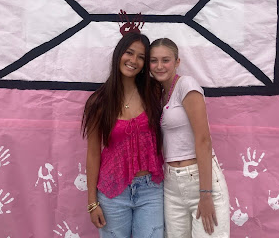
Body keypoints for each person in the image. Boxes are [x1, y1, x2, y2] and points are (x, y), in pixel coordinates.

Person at [82, 32, 164, 238]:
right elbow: (93, 154)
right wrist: (92, 202)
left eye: (141, 57)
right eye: (129, 53)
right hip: (113, 192)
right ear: (119, 54)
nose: (133, 61)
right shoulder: (99, 102)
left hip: (150, 190)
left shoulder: (154, 92)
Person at [149, 38, 230, 237]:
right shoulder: (158, 94)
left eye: (166, 60)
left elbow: (203, 139)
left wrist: (205, 193)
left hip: (199, 180)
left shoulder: (187, 84)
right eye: (154, 60)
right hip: (171, 184)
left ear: (177, 62)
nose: (159, 66)